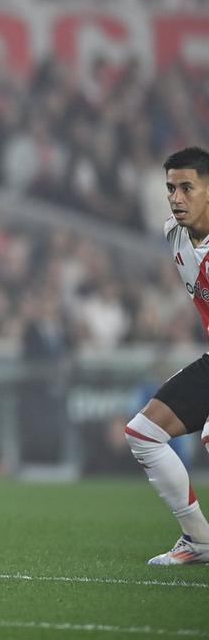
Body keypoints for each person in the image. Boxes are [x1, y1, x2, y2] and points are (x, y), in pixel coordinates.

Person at [124, 146, 209, 564]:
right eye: (170, 188)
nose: (176, 197)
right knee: (143, 433)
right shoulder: (173, 234)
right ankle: (199, 539)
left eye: (187, 187)